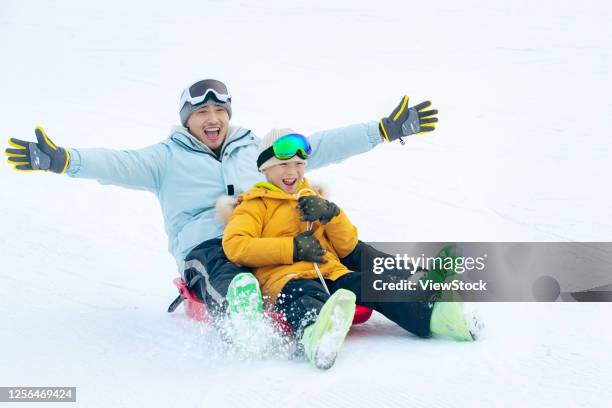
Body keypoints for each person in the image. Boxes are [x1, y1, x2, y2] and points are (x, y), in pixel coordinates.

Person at [4, 78, 439, 319]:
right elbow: (115, 164)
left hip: (270, 236)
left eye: (219, 112)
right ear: (187, 120)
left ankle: (417, 287)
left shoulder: (254, 147)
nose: (212, 119)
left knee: (342, 246)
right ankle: (243, 314)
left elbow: (321, 146)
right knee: (219, 267)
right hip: (208, 243)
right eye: (201, 113)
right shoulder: (165, 159)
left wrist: (381, 130)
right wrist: (62, 159)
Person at [221, 129, 476, 369]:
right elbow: (236, 246)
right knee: (304, 300)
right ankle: (315, 336)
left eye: (299, 164)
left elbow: (348, 246)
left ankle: (431, 315)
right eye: (283, 164)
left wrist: (331, 214)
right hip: (285, 280)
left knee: (373, 283)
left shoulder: (311, 197)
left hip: (331, 273)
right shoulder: (253, 205)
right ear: (265, 169)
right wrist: (292, 248)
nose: (292, 171)